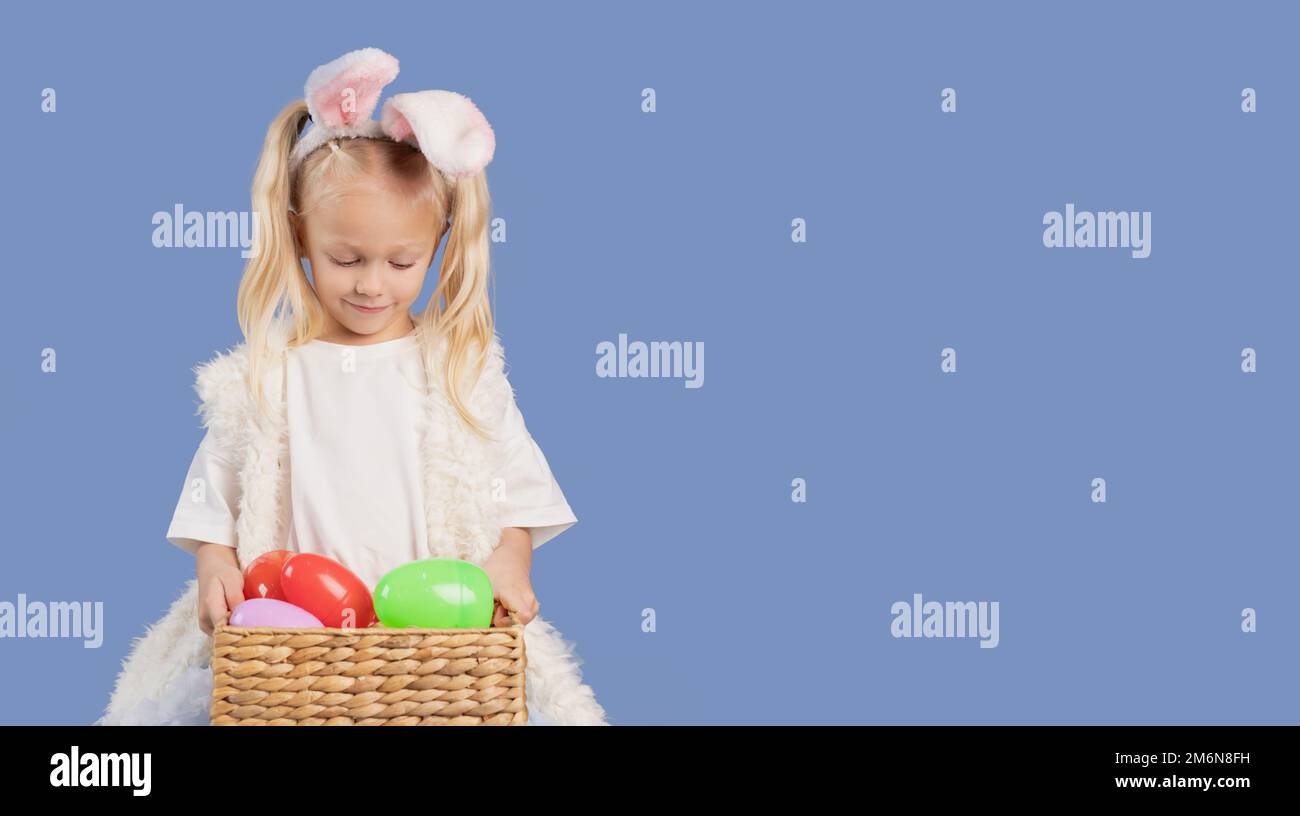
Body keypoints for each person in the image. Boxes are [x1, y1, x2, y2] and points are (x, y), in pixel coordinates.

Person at [96, 47, 607, 726]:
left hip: (430, 661)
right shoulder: (269, 377)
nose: (372, 283)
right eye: (346, 259)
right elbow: (216, 496)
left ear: (438, 246)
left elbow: (514, 492)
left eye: (402, 262)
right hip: (298, 660)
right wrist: (215, 565)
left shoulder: (459, 372)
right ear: (302, 237)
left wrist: (513, 561)